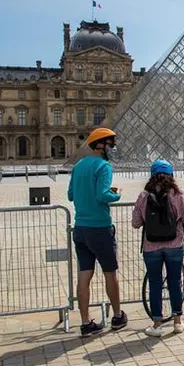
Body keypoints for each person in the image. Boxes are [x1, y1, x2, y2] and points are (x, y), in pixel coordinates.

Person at [68, 127, 127, 337]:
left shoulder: (78, 166)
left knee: (84, 275)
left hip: (80, 228)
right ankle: (118, 316)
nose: (113, 148)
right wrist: (116, 194)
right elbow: (103, 196)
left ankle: (85, 323)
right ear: (101, 145)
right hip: (99, 228)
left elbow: (70, 195)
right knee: (110, 273)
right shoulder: (103, 167)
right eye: (111, 144)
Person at [132, 159, 184, 336]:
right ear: (171, 175)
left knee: (155, 284)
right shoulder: (179, 195)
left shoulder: (144, 196)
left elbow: (136, 223)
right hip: (175, 245)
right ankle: (177, 322)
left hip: (151, 247)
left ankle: (157, 324)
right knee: (175, 282)